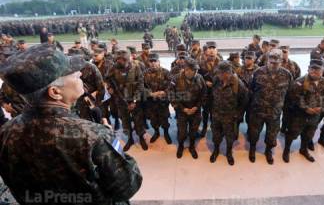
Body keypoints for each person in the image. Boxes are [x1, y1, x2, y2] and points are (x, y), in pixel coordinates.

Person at [0, 44, 142, 205]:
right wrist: (111, 140)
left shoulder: (6, 133)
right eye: (73, 75)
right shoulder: (92, 136)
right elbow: (128, 185)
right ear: (55, 92)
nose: (80, 73)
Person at [247, 49, 292, 164]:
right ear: (267, 61)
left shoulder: (287, 75)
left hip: (275, 113)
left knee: (272, 136)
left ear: (281, 61)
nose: (273, 65)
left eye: (276, 63)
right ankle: (252, 149)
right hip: (258, 111)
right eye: (271, 62)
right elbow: (251, 90)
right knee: (254, 133)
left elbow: (289, 94)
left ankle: (268, 151)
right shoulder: (258, 72)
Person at [283, 59, 324, 163]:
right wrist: (306, 108)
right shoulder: (299, 82)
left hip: (315, 116)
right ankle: (287, 150)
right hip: (299, 115)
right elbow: (293, 98)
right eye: (312, 69)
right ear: (308, 69)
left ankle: (303, 149)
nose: (314, 72)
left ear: (323, 70)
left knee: (308, 135)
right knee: (292, 133)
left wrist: (322, 107)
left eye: (317, 70)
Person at [209, 61, 248, 166]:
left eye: (222, 73)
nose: (219, 75)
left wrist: (238, 114)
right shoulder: (216, 80)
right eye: (219, 73)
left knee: (229, 137)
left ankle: (229, 152)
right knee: (216, 136)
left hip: (230, 117)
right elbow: (211, 96)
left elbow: (244, 101)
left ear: (229, 73)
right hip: (216, 115)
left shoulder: (238, 84)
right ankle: (216, 150)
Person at [169, 58, 207, 159]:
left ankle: (191, 147)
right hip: (182, 111)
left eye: (196, 70)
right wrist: (182, 109)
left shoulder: (199, 78)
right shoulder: (176, 79)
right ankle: (181, 146)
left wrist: (196, 107)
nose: (196, 72)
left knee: (193, 131)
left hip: (196, 111)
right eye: (194, 70)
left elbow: (204, 94)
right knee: (182, 132)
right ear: (187, 70)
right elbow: (171, 95)